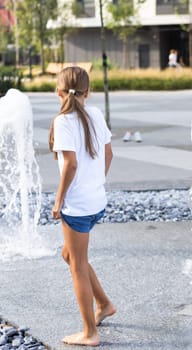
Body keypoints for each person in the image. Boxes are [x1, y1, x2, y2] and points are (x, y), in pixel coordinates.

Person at [48, 66, 116, 347]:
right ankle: (105, 304)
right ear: (88, 92)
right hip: (96, 201)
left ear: (59, 92)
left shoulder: (63, 121)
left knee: (76, 265)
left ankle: (89, 333)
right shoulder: (95, 114)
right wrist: (95, 184)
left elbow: (71, 164)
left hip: (77, 206)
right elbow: (109, 153)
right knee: (69, 254)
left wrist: (59, 199)